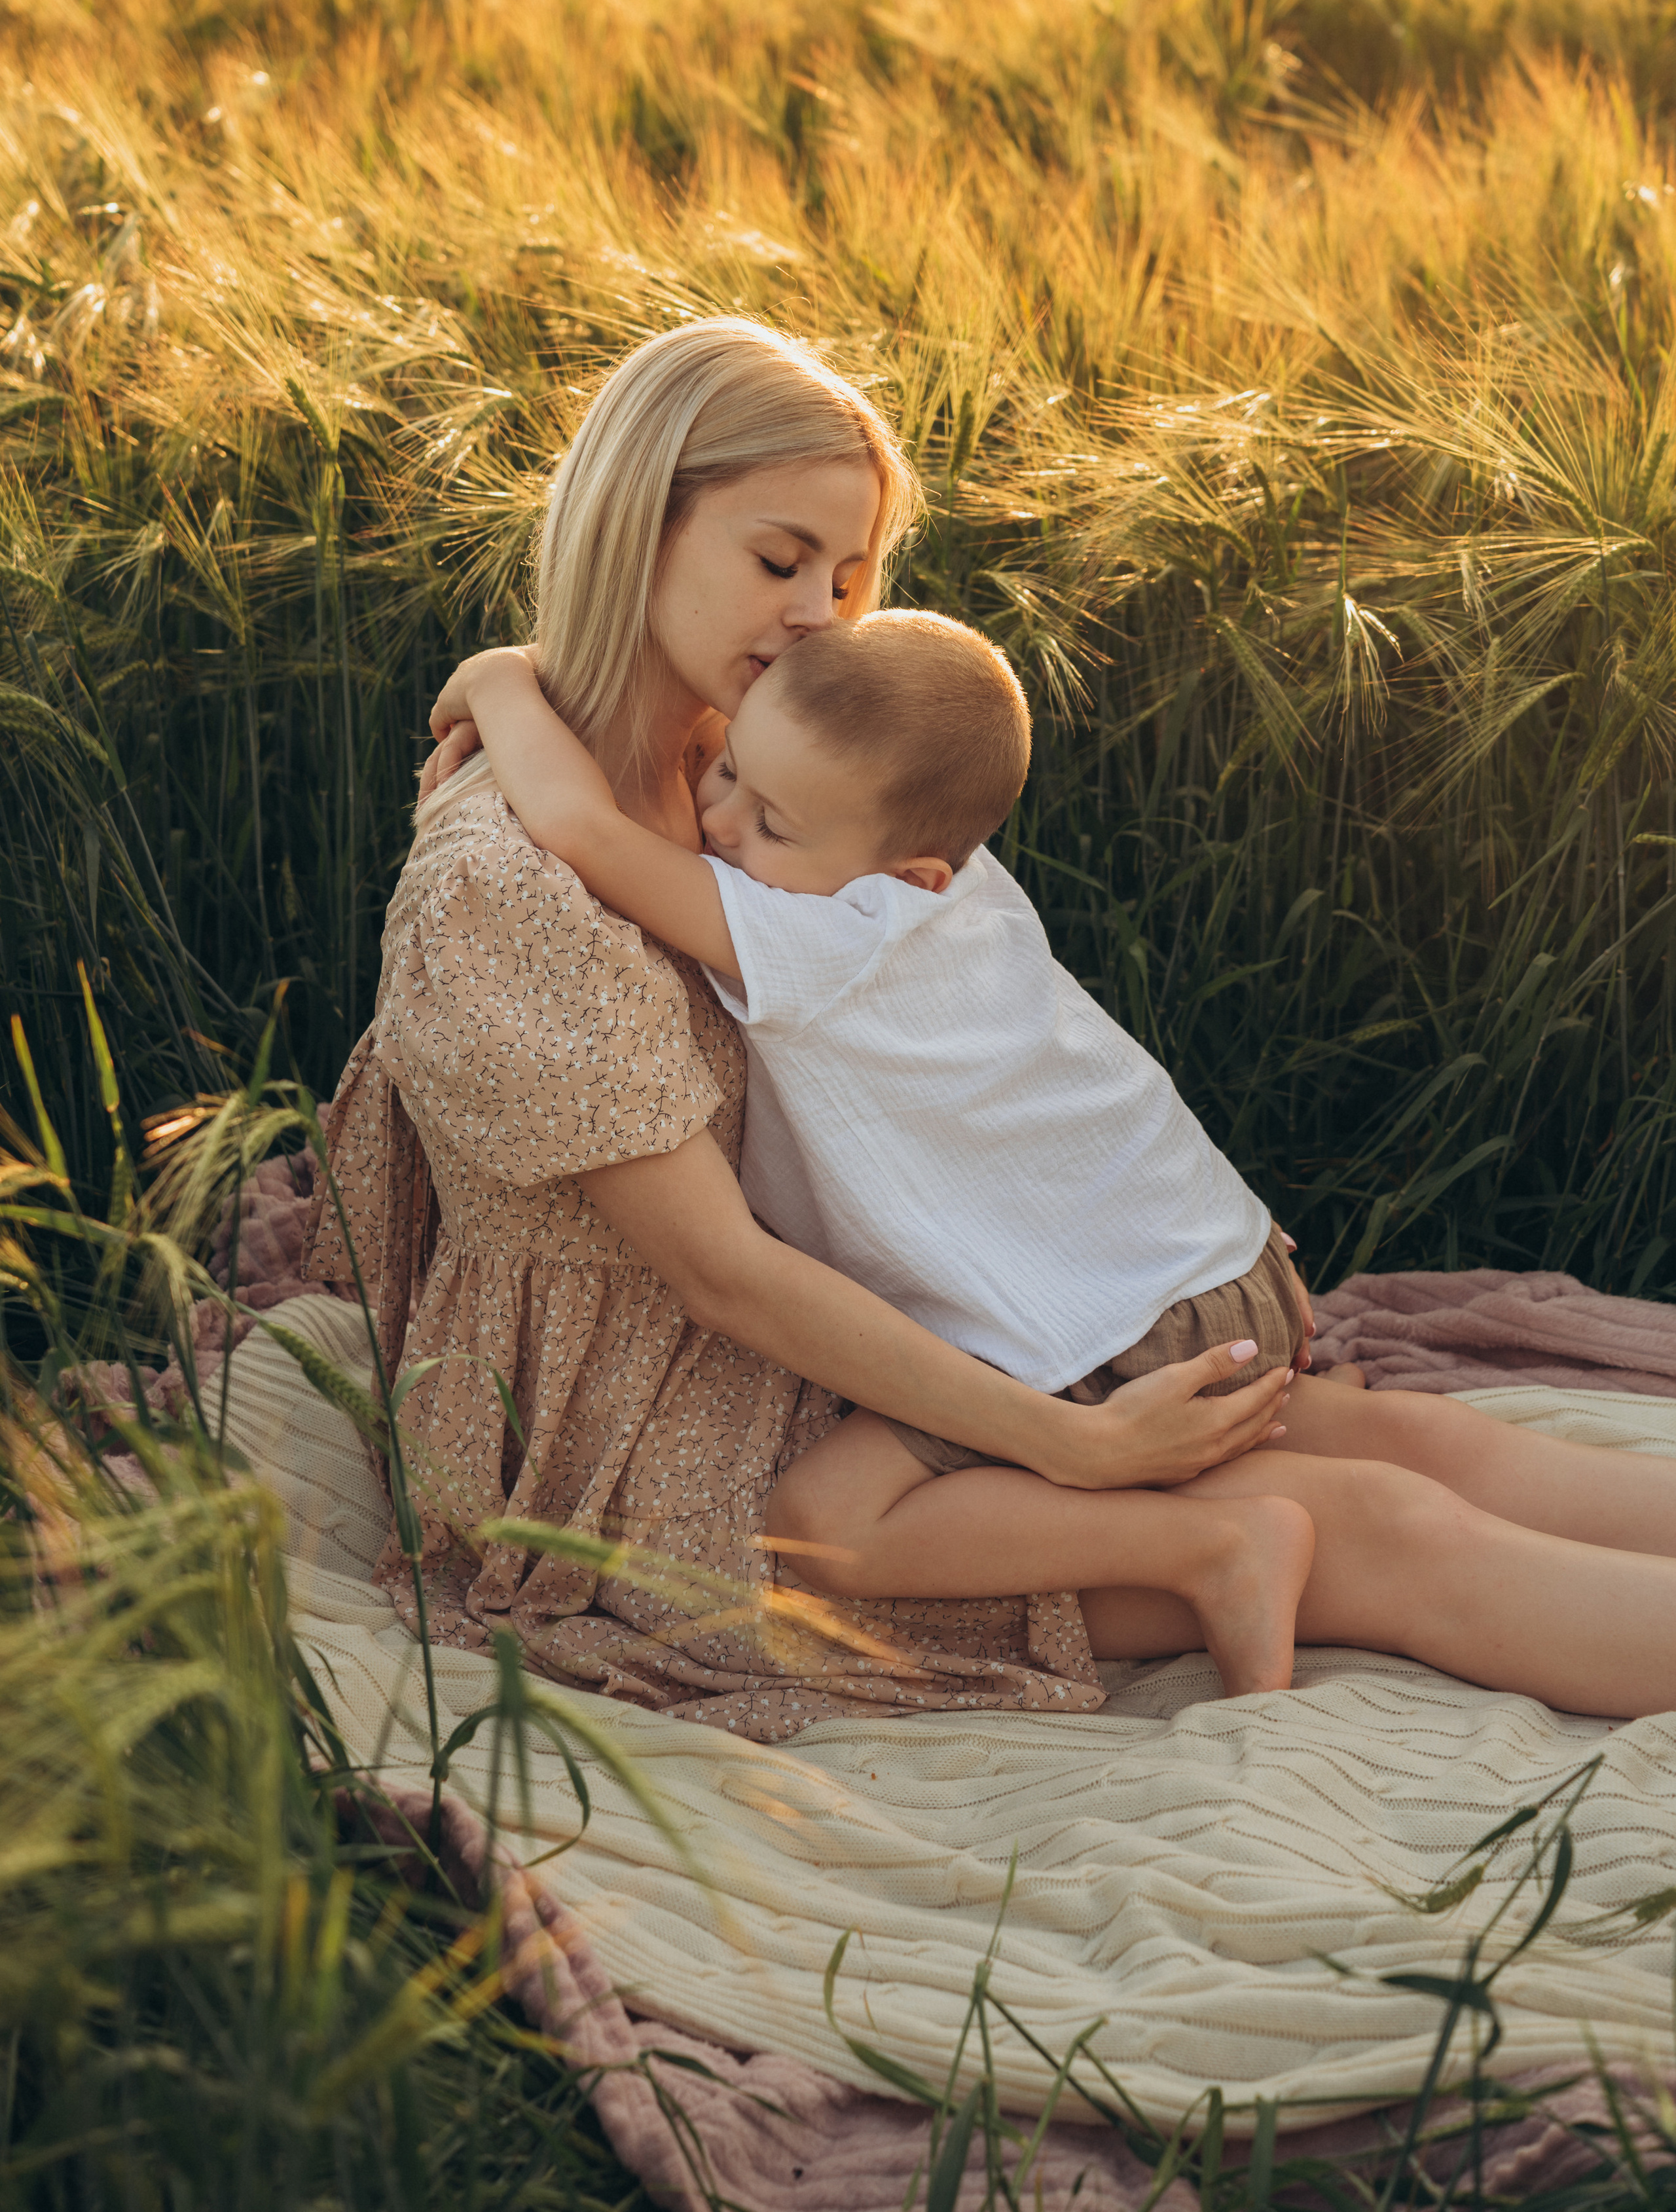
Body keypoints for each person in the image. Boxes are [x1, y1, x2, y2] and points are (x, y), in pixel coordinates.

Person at [311, 312, 1676, 1741]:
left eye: (843, 577)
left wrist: (497, 675)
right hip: (671, 1457)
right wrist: (1071, 1442)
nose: (813, 616)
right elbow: (723, 1277)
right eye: (775, 561)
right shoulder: (509, 883)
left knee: (1389, 1434)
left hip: (899, 1336)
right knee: (1363, 1521)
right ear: (629, 527)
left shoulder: (782, 763)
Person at [421, 606, 1332, 1695]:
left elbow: (584, 830)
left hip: (1124, 1317)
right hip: (1213, 1259)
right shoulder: (937, 874)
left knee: (821, 1526)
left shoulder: (834, 933)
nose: (719, 823)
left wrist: (499, 678)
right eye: (726, 774)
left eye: (770, 825)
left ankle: (1220, 1554)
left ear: (908, 880)